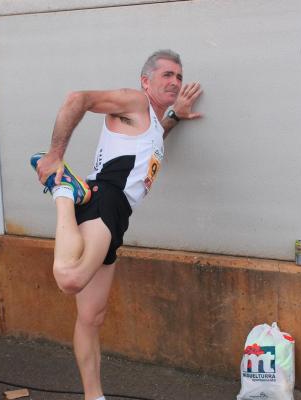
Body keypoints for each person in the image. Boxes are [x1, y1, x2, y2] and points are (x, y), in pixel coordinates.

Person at [32, 49, 202, 400]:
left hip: (118, 215)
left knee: (92, 317)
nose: (175, 81)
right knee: (70, 279)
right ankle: (63, 191)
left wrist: (176, 116)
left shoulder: (151, 122)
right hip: (104, 199)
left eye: (179, 77)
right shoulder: (135, 101)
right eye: (167, 75)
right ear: (146, 81)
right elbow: (77, 99)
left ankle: (94, 397)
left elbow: (153, 140)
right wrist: (55, 156)